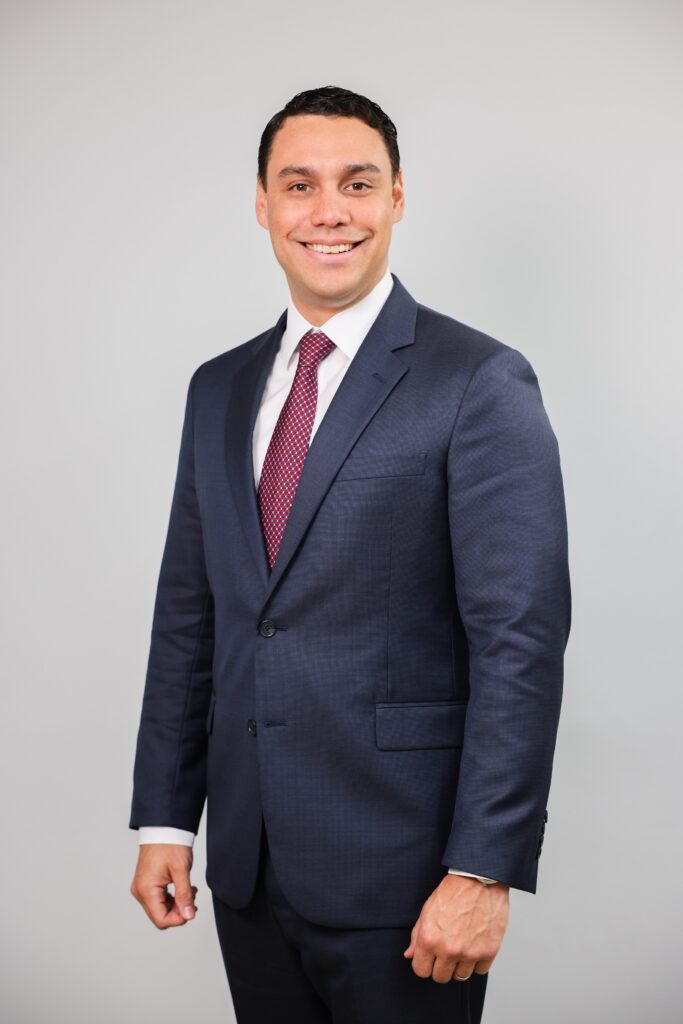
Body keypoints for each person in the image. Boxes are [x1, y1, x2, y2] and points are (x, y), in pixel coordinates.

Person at [129, 85, 571, 1024]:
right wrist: (167, 817)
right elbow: (189, 617)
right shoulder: (218, 389)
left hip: (408, 876)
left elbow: (519, 643)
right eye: (299, 185)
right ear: (263, 204)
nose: (328, 211)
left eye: (357, 183)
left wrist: (482, 868)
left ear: (397, 198)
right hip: (248, 868)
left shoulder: (478, 381)